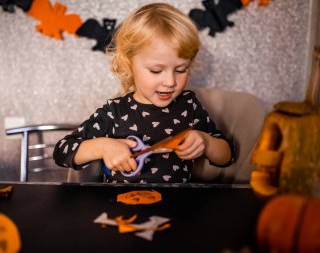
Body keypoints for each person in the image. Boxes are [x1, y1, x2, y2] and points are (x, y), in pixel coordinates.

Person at [53, 3, 234, 183]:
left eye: (181, 70)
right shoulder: (114, 111)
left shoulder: (189, 105)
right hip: (121, 206)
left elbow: (227, 157)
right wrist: (103, 147)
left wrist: (207, 143)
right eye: (156, 71)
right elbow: (62, 151)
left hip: (176, 208)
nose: (170, 82)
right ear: (129, 65)